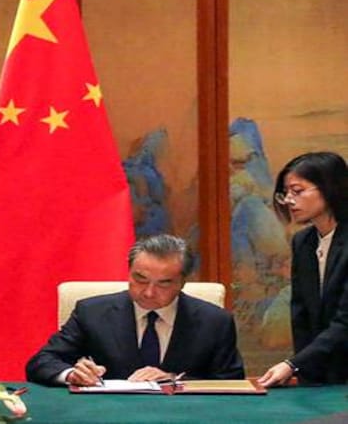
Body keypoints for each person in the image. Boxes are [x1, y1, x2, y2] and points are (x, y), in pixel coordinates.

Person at [26, 234, 244, 385]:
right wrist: (72, 374)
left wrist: (174, 380)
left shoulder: (215, 322)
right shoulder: (92, 312)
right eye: (140, 279)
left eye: (164, 283)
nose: (148, 292)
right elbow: (41, 363)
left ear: (182, 282)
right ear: (129, 271)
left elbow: (232, 383)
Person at [258, 151, 348, 387]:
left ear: (329, 188)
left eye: (297, 191)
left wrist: (293, 364)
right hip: (320, 376)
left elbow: (345, 322)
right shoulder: (303, 241)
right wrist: (306, 371)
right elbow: (301, 315)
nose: (289, 200)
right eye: (285, 193)